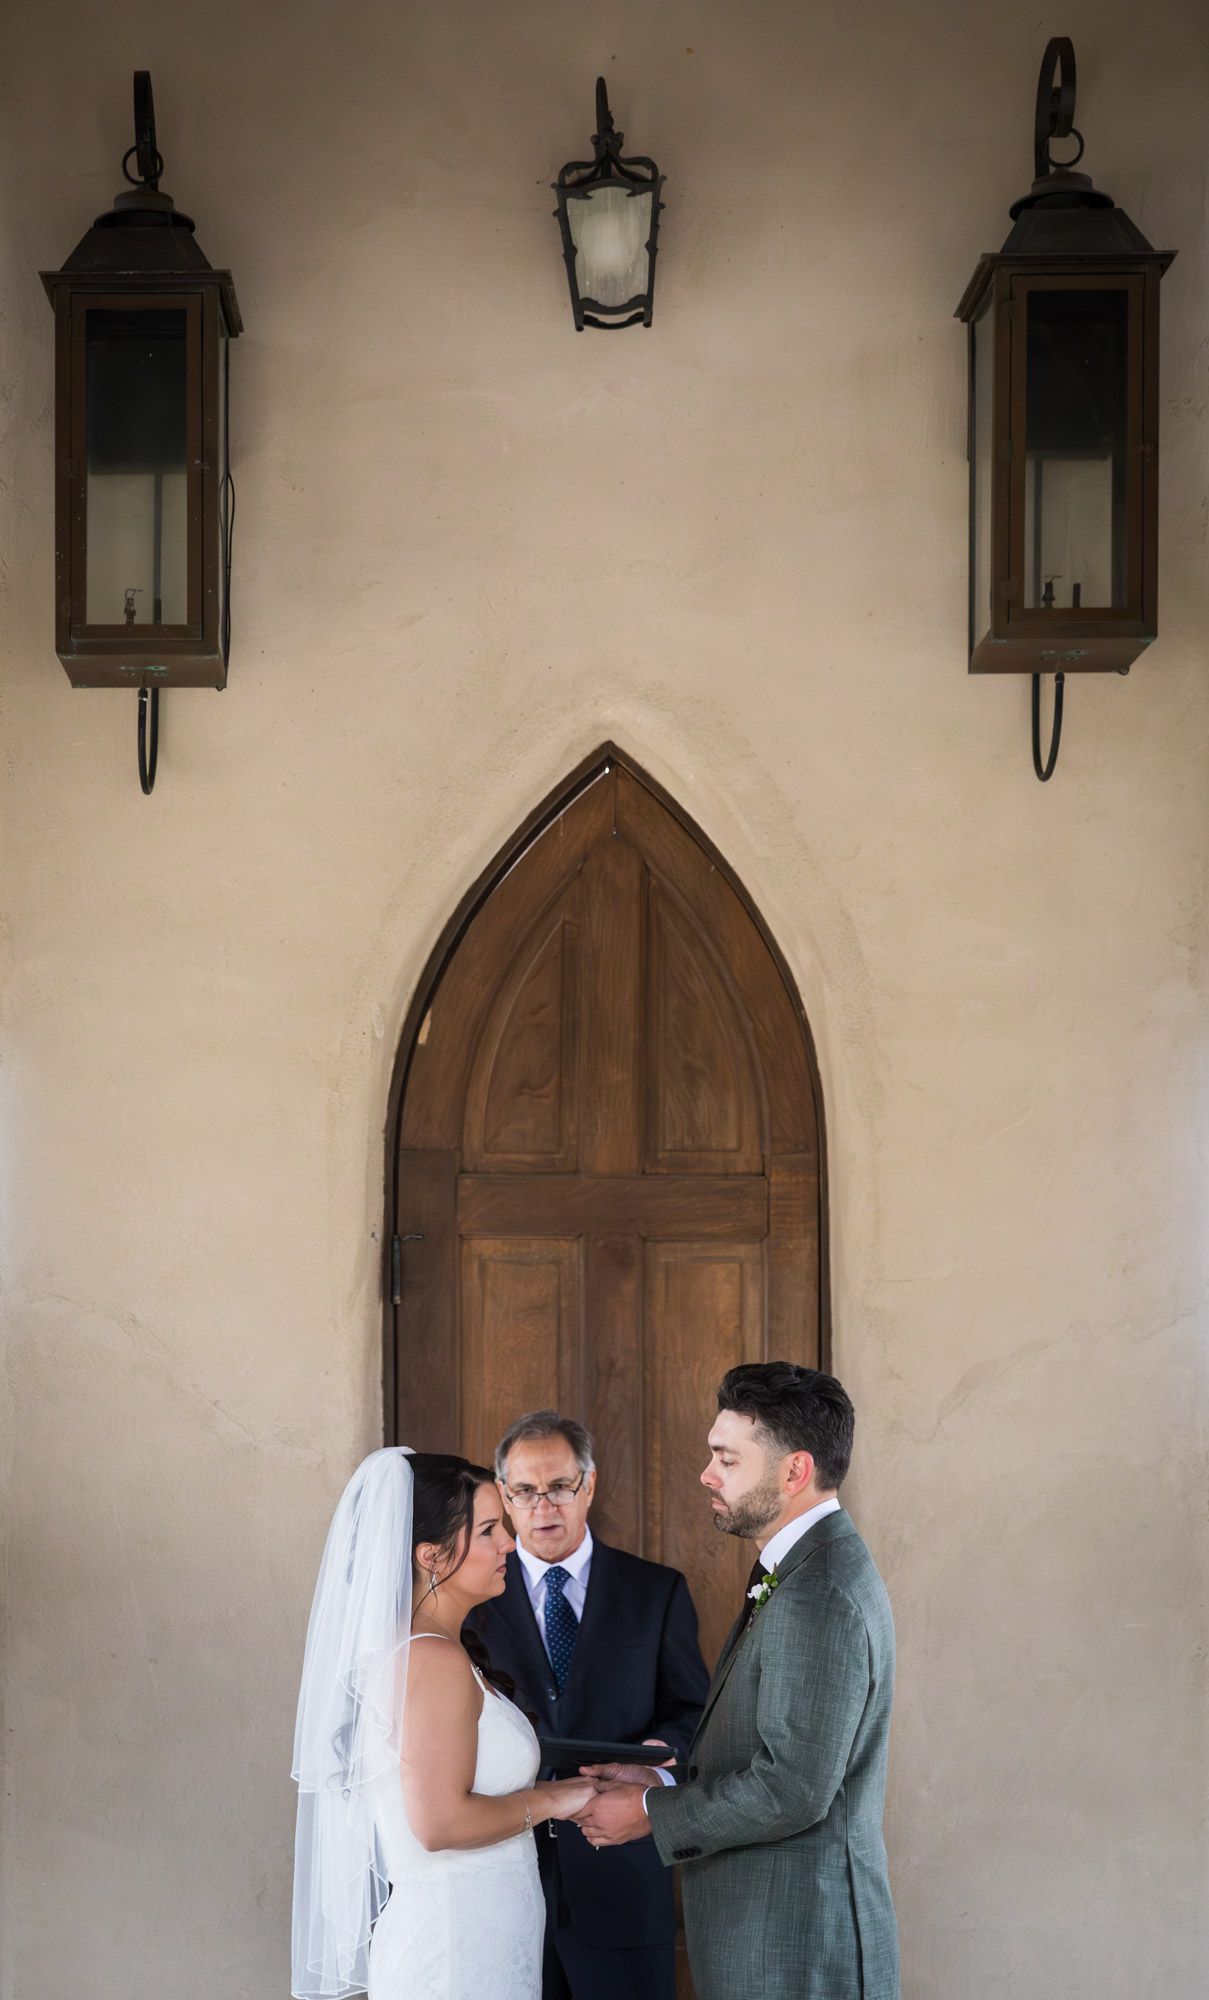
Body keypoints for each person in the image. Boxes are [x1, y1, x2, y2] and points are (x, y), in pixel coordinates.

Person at [573, 1363, 900, 2000]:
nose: (706, 1474)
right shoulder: (800, 1567)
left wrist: (649, 1812)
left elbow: (793, 1788)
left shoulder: (820, 1591)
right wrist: (664, 1776)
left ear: (794, 1472)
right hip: (771, 1933)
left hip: (795, 1945)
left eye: (726, 1459)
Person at [290, 1447, 593, 2000]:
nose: (510, 1542)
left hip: (484, 1935)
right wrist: (556, 1800)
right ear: (431, 1555)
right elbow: (440, 1824)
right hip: (453, 1948)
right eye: (489, 1531)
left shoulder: (439, 1650)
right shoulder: (430, 1659)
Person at [467, 1411, 709, 2000]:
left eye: (560, 1488)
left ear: (590, 1485)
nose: (543, 1507)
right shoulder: (468, 1601)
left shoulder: (657, 1590)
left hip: (622, 1877)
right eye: (525, 1491)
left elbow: (694, 1714)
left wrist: (657, 1763)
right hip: (498, 1879)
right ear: (503, 1494)